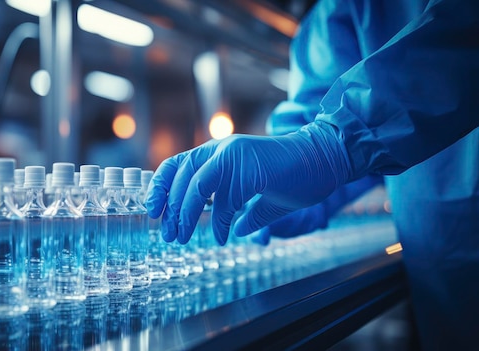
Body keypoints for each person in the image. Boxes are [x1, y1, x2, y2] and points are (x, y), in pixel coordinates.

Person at [144, 0, 479, 349]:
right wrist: (312, 182)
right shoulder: (324, 17)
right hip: (437, 254)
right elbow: (323, 112)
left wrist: (327, 148)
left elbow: (463, 32)